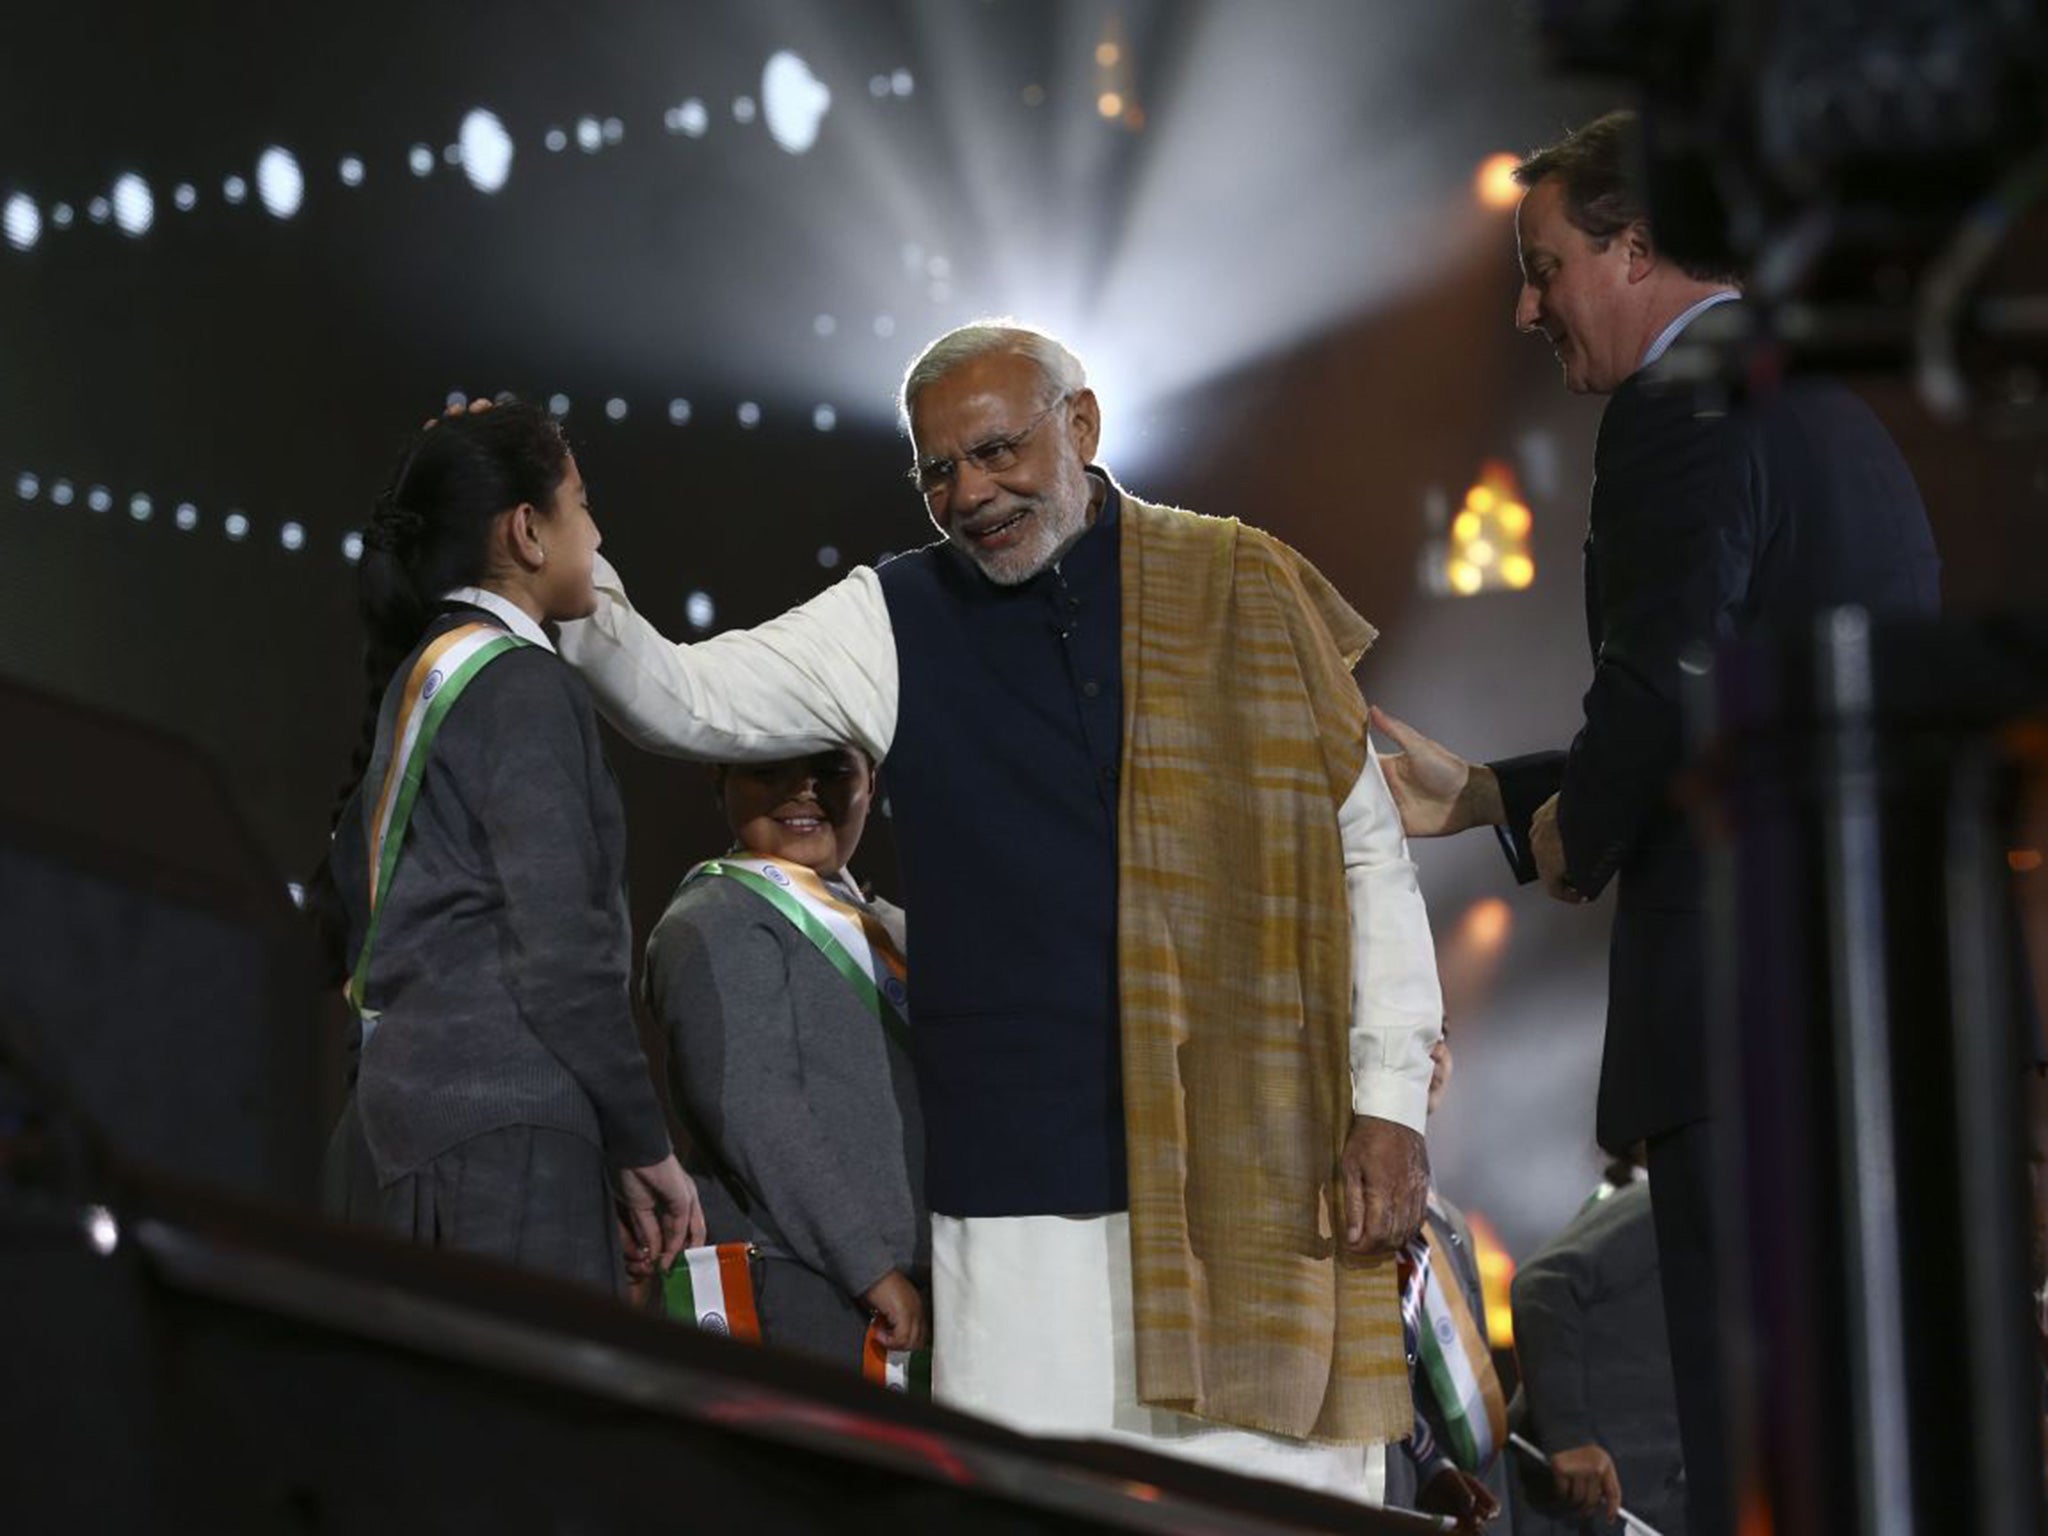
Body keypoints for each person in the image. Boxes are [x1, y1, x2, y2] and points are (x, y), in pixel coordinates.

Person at [555, 322, 1443, 1497]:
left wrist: (1388, 1104)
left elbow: (1362, 855)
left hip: (1260, 1179)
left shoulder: (1243, 586)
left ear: (1080, 426)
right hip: (1026, 1223)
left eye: (996, 452)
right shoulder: (894, 619)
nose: (969, 493)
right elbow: (682, 701)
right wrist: (567, 573)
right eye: (936, 471)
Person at [1372, 111, 1941, 1535]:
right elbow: (1751, 704)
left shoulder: (1678, 408)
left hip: (1741, 1026)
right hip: (1863, 1020)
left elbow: (1667, 676)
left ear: (1636, 247)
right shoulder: (1832, 414)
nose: (1526, 306)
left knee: (1761, 1438)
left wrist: (1579, 831)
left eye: (1545, 264)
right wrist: (1504, 798)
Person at [321, 400, 703, 1297]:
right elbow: (564, 953)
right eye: (582, 504)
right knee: (521, 1436)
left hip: (389, 1133)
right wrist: (645, 1143)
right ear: (528, 531)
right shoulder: (523, 685)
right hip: (502, 1145)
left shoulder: (412, 687)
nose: (598, 531)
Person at [642, 745, 928, 1371]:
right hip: (790, 1284)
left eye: (831, 772)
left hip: (891, 1294)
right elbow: (756, 1112)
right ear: (719, 775)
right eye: (770, 770)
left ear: (871, 780)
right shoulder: (717, 917)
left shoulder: (896, 930)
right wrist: (870, 1268)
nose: (803, 791)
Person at [1510, 1156, 1686, 1536]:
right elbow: (1543, 1284)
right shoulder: (1669, 1204)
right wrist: (1569, 1436)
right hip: (1565, 1504)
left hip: (1649, 1512)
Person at [1385, 1032, 1510, 1534]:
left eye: (1446, 1034)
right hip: (1396, 1481)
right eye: (1419, 1030)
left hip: (1466, 1484)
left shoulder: (1451, 1222)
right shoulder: (1359, 1206)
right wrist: (1430, 1462)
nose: (1436, 1051)